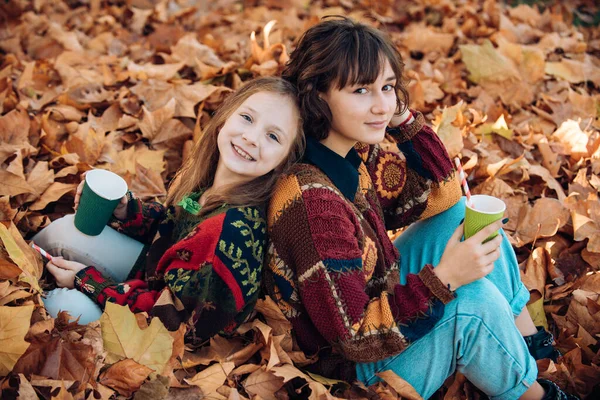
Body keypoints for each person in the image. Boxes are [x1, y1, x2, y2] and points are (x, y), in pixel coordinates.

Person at [263, 17, 575, 400]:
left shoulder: (346, 154)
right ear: (317, 95)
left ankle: (527, 349)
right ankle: (537, 397)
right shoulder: (313, 205)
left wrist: (402, 118)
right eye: (361, 90)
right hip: (349, 372)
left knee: (462, 218)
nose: (382, 105)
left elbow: (442, 197)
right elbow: (352, 337)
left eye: (388, 87)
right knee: (471, 303)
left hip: (373, 303)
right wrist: (445, 278)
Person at [34, 77, 305, 342]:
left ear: (283, 162)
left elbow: (175, 325)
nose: (251, 137)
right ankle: (24, 267)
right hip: (154, 282)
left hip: (167, 340)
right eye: (247, 118)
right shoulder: (210, 191)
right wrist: (127, 211)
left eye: (272, 136)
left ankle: (34, 300)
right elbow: (177, 222)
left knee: (66, 304)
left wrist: (87, 282)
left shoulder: (229, 233)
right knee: (64, 231)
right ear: (225, 117)